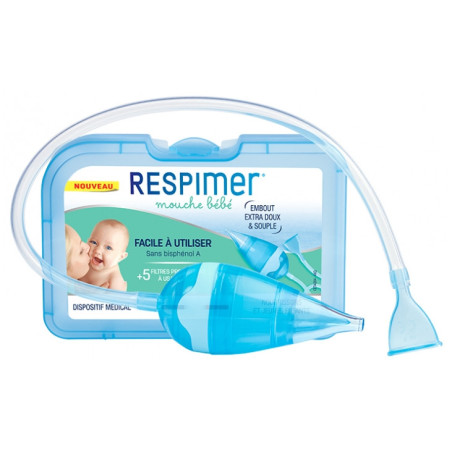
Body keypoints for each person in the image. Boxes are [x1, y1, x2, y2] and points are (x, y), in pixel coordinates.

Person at [80, 219, 129, 291]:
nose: (98, 250)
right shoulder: (82, 260)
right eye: (93, 242)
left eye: (108, 248)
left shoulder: (114, 282)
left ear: (120, 257)